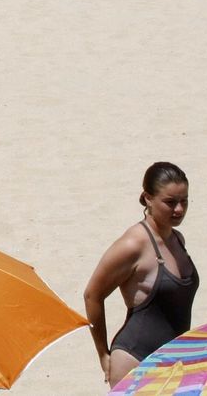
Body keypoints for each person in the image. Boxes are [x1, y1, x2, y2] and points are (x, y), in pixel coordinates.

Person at [84, 162, 197, 386]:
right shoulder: (133, 245)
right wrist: (103, 353)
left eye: (184, 201)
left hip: (174, 360)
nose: (179, 210)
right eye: (170, 202)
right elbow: (92, 295)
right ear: (148, 198)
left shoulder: (177, 239)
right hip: (135, 360)